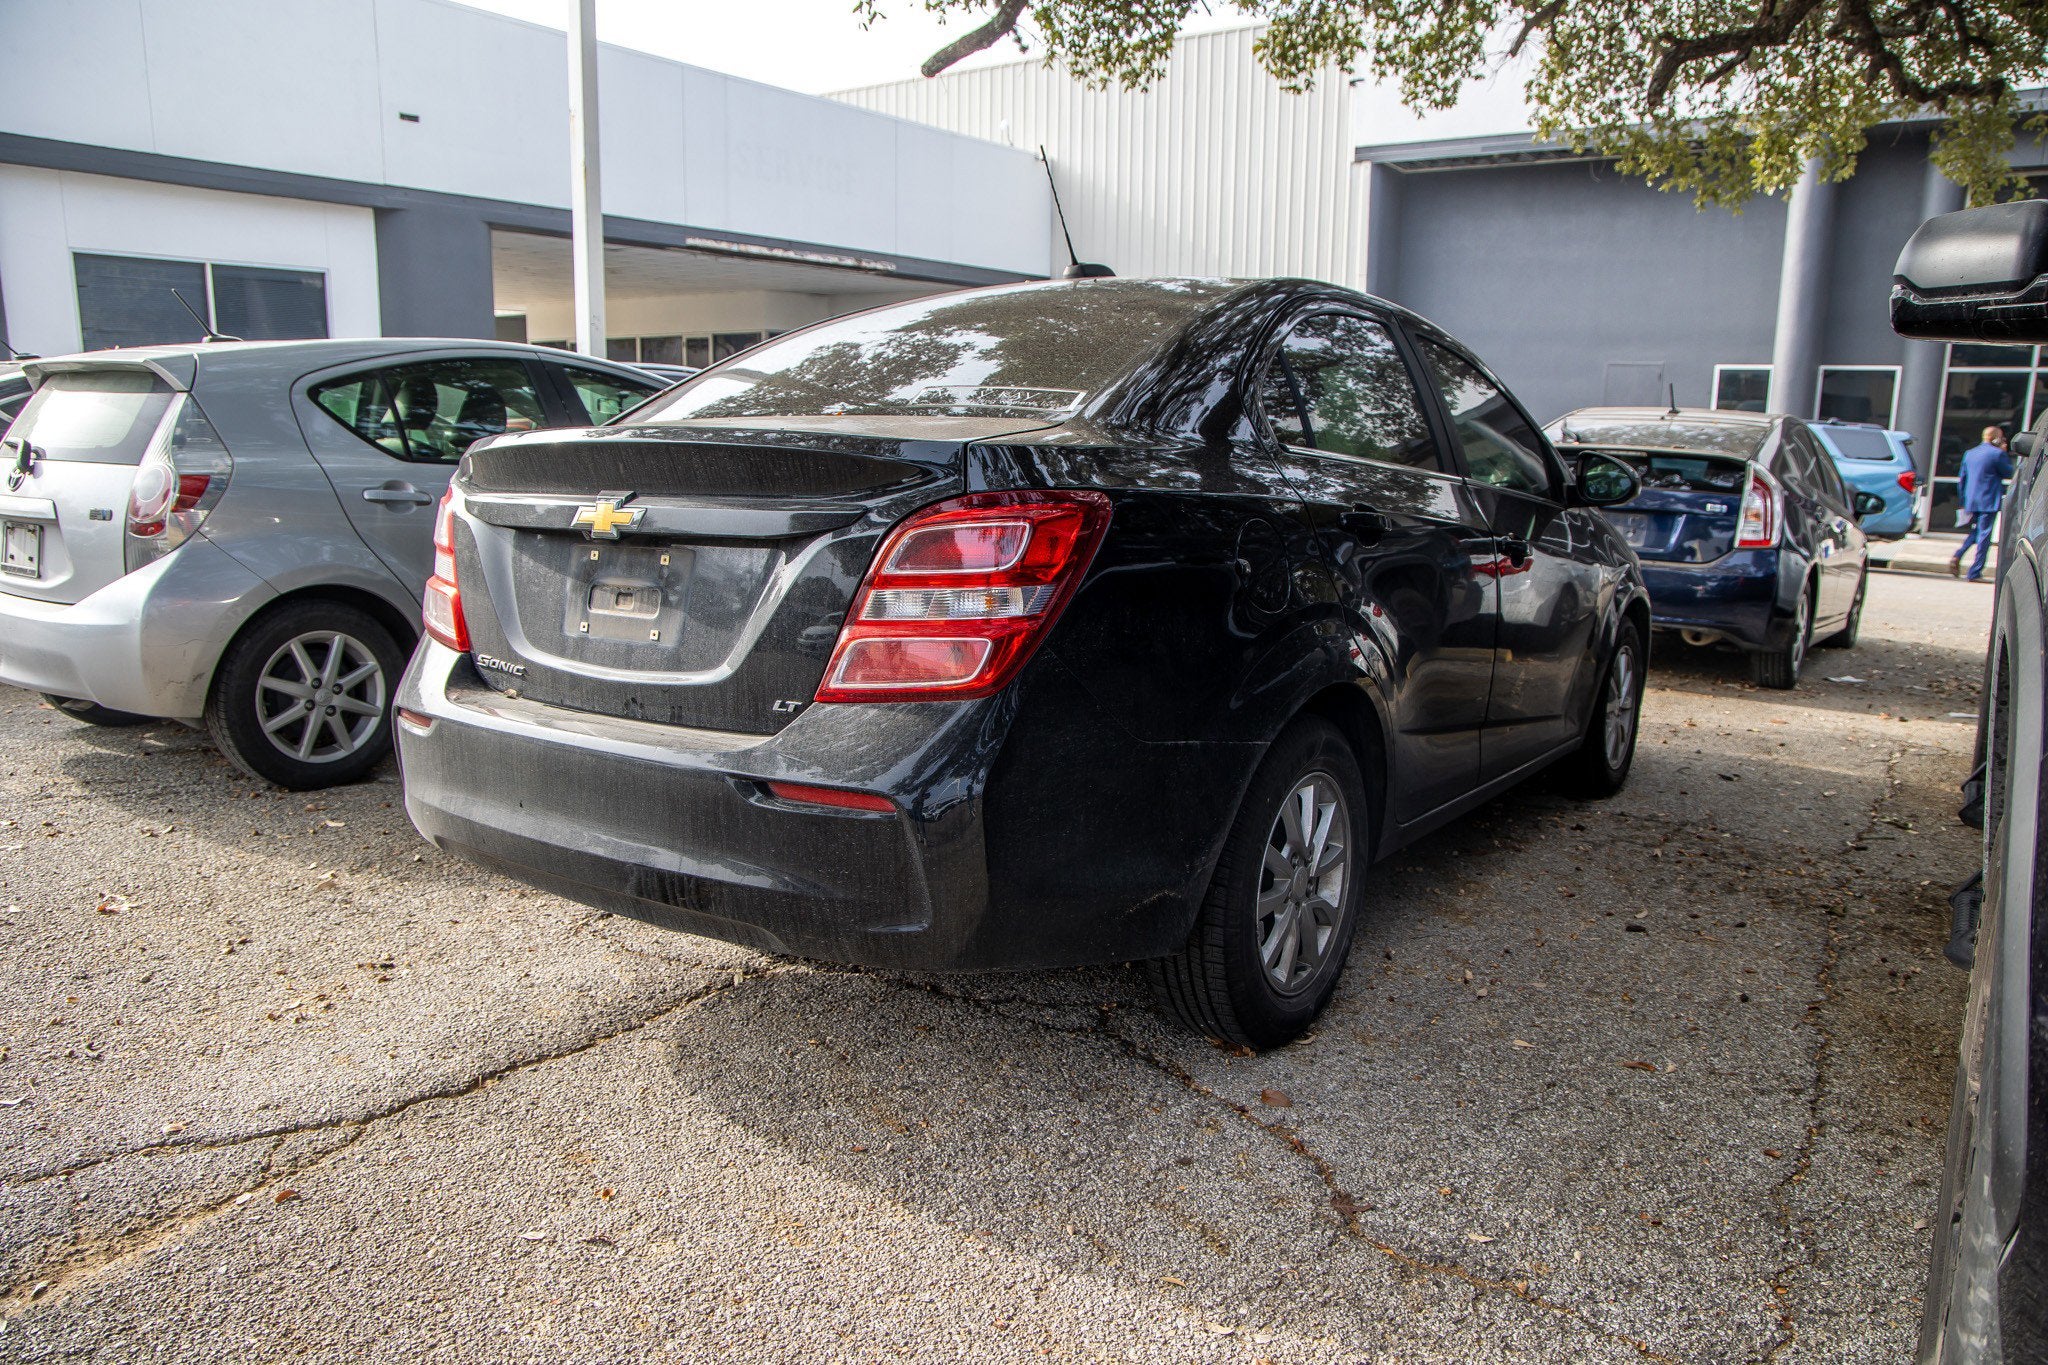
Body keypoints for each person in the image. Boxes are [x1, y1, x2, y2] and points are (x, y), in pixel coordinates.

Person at [1953, 425, 2016, 582]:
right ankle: (1975, 572)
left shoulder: (1970, 453)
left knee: (1976, 532)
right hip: (1988, 501)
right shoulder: (1997, 454)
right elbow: (2009, 472)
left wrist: (1963, 501)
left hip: (1972, 500)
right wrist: (2003, 451)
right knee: (1984, 535)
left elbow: (1962, 480)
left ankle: (1958, 555)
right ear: (1995, 438)